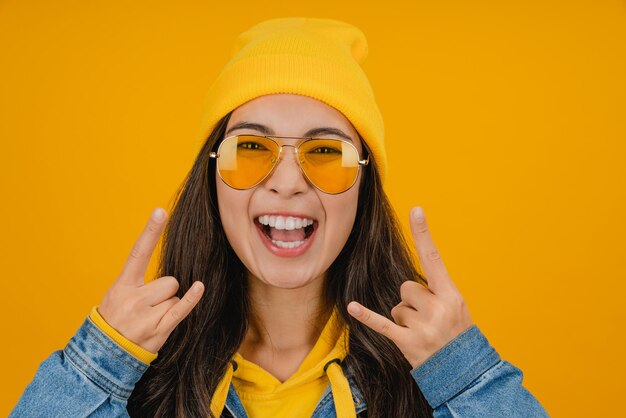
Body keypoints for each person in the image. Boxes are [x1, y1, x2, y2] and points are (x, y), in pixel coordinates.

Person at [11, 17, 548, 418]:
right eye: (250, 148)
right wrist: (98, 365)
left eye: (324, 152)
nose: (287, 181)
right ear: (211, 176)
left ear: (364, 184)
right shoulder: (139, 377)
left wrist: (462, 375)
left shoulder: (430, 375)